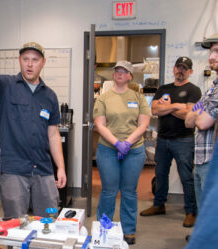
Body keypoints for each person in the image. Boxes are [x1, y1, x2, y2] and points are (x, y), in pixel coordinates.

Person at [0, 38, 66, 218]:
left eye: (35, 60)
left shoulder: (50, 96)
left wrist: (60, 167)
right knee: (14, 225)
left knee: (49, 221)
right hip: (14, 170)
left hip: (44, 170)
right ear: (19, 61)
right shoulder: (7, 86)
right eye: (25, 59)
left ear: (43, 63)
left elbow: (53, 135)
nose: (30, 64)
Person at [93, 60, 150, 245]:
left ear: (130, 76)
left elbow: (143, 124)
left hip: (133, 150)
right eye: (117, 70)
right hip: (108, 149)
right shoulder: (103, 98)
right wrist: (117, 143)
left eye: (124, 71)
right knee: (109, 191)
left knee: (129, 192)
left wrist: (127, 142)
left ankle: (129, 230)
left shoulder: (138, 97)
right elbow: (100, 125)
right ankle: (104, 228)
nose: (119, 73)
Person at [140, 56, 201, 228]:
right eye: (178, 67)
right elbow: (154, 109)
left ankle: (191, 211)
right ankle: (159, 205)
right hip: (163, 139)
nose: (180, 70)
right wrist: (177, 106)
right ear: (174, 69)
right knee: (160, 174)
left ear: (190, 71)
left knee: (186, 177)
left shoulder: (194, 90)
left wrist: (167, 107)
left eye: (184, 68)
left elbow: (190, 114)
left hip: (184, 140)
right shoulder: (164, 88)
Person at [184, 33, 218, 243]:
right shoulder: (213, 87)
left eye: (216, 51)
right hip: (201, 157)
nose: (211, 57)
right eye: (211, 51)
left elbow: (203, 122)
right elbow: (189, 119)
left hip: (211, 159)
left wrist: (197, 113)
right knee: (204, 209)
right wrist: (198, 112)